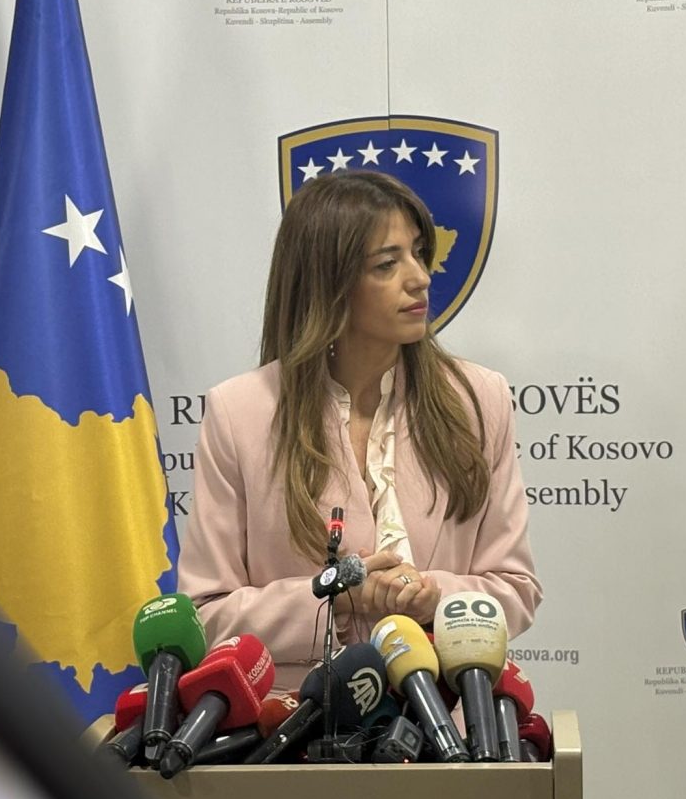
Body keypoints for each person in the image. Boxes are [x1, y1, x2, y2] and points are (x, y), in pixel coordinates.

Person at [177, 171, 541, 691]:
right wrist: (337, 598)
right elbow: (206, 614)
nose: (420, 278)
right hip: (295, 722)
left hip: (445, 718)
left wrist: (433, 595)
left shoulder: (479, 399)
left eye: (419, 254)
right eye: (387, 264)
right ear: (328, 282)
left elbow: (516, 589)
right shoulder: (239, 412)